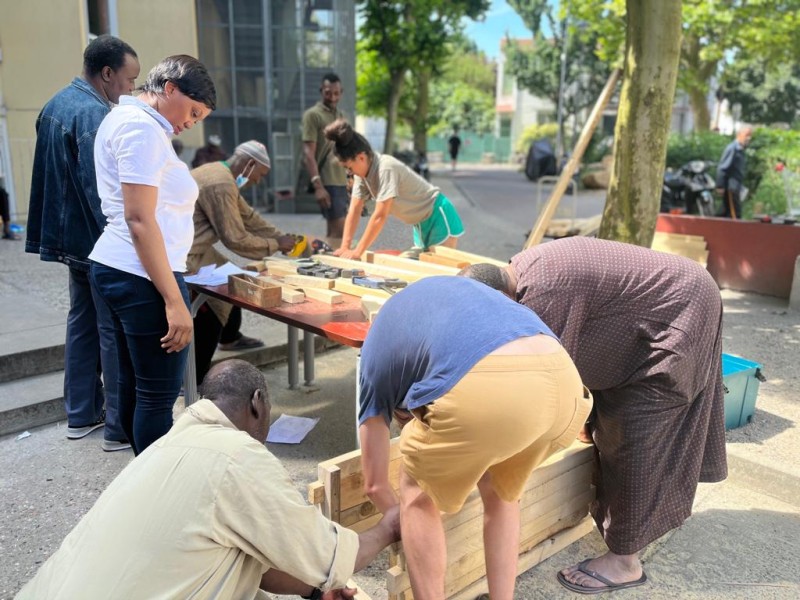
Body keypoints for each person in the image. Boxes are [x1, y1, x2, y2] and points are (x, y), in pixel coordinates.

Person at [460, 236, 727, 594]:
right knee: (605, 422)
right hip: (671, 298)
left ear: (500, 298)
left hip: (682, 309)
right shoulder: (520, 273)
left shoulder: (544, 296)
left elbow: (546, 383)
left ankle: (625, 563)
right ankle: (631, 527)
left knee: (635, 431)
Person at [16, 359, 401, 600]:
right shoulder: (236, 457)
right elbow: (327, 554)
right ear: (257, 403)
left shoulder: (167, 447)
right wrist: (387, 528)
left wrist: (315, 590)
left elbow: (254, 561)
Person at [358, 276, 592, 600]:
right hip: (566, 383)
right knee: (501, 491)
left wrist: (403, 521)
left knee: (416, 490)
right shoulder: (438, 309)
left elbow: (374, 485)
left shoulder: (373, 363)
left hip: (490, 385)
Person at [88, 54, 216, 455]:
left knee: (134, 387)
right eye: (192, 112)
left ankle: (142, 478)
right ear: (170, 88)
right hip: (141, 273)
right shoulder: (140, 128)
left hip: (126, 269)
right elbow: (139, 219)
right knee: (157, 398)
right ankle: (159, 485)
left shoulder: (136, 123)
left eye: (199, 118)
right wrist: (175, 301)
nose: (191, 123)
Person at [25, 35, 140, 452]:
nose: (131, 88)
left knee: (82, 322)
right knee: (111, 330)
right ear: (107, 73)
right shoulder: (94, 115)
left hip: (70, 238)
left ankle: (80, 414)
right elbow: (100, 191)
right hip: (97, 240)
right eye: (129, 79)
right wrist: (126, 240)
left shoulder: (54, 104)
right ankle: (118, 427)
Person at [188, 140, 297, 383]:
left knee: (233, 274)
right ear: (250, 164)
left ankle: (230, 338)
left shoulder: (220, 173)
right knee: (213, 304)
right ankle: (192, 378)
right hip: (183, 255)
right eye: (261, 174)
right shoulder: (221, 183)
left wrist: (281, 237)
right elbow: (235, 238)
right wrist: (275, 245)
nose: (258, 180)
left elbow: (248, 217)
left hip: (196, 248)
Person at [325, 119, 465, 260]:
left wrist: (357, 252)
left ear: (361, 157)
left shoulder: (386, 168)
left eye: (349, 167)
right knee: (409, 264)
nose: (349, 172)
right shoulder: (361, 176)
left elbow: (380, 216)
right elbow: (354, 210)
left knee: (439, 267)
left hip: (438, 216)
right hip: (421, 223)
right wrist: (345, 247)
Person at [302, 72, 349, 243]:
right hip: (328, 182)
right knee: (339, 233)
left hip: (342, 182)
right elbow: (308, 153)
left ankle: (324, 258)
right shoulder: (312, 115)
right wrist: (318, 187)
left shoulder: (342, 116)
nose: (333, 97)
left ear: (341, 92)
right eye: (328, 93)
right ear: (321, 90)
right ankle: (325, 259)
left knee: (335, 233)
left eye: (336, 93)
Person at [715, 125, 753, 219]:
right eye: (746, 135)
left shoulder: (741, 149)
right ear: (739, 135)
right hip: (731, 187)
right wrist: (720, 186)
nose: (749, 138)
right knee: (735, 214)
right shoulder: (733, 149)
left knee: (726, 212)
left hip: (737, 186)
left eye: (750, 135)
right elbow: (723, 168)